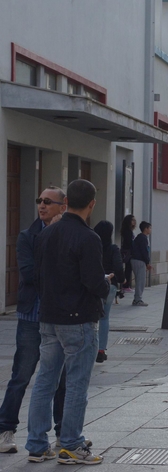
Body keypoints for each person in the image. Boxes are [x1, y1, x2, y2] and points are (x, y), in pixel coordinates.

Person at [27, 179, 109, 465]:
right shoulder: (88, 238)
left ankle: (37, 444)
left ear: (65, 203)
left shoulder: (46, 234)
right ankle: (71, 444)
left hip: (49, 317)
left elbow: (38, 276)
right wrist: (107, 286)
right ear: (92, 204)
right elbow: (92, 281)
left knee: (44, 381)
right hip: (79, 320)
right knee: (76, 383)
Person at [0, 187, 68, 456]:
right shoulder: (28, 236)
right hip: (31, 316)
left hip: (59, 317)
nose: (42, 205)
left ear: (62, 206)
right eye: (39, 200)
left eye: (48, 202)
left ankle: (64, 433)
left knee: (62, 378)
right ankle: (5, 429)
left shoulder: (68, 234)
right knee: (22, 374)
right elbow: (28, 273)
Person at [93, 221, 124, 363]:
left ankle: (91, 348)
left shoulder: (93, 246)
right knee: (104, 317)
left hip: (94, 284)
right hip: (110, 284)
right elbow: (118, 266)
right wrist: (122, 280)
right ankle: (101, 349)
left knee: (91, 318)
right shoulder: (113, 249)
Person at [130, 221, 152, 306]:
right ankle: (138, 299)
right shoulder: (143, 238)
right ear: (145, 229)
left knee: (139, 279)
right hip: (139, 260)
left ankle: (137, 298)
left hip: (136, 259)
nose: (150, 230)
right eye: (149, 228)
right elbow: (144, 251)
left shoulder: (140, 237)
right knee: (140, 280)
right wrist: (147, 262)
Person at [120, 214, 136, 293]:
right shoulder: (128, 232)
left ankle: (126, 285)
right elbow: (129, 243)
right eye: (132, 220)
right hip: (128, 252)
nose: (134, 221)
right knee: (128, 269)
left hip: (127, 251)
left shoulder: (128, 231)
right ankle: (126, 286)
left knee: (128, 268)